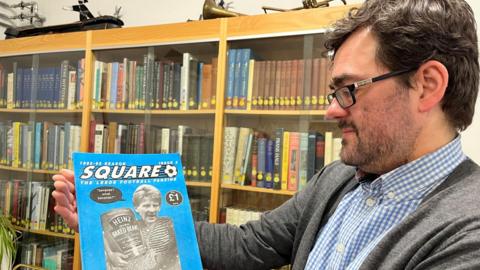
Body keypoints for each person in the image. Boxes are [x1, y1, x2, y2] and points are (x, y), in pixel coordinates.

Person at [52, 0, 480, 269]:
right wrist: (102, 221)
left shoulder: (468, 236)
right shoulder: (338, 180)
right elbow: (248, 246)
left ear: (427, 85)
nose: (331, 109)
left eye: (349, 89)